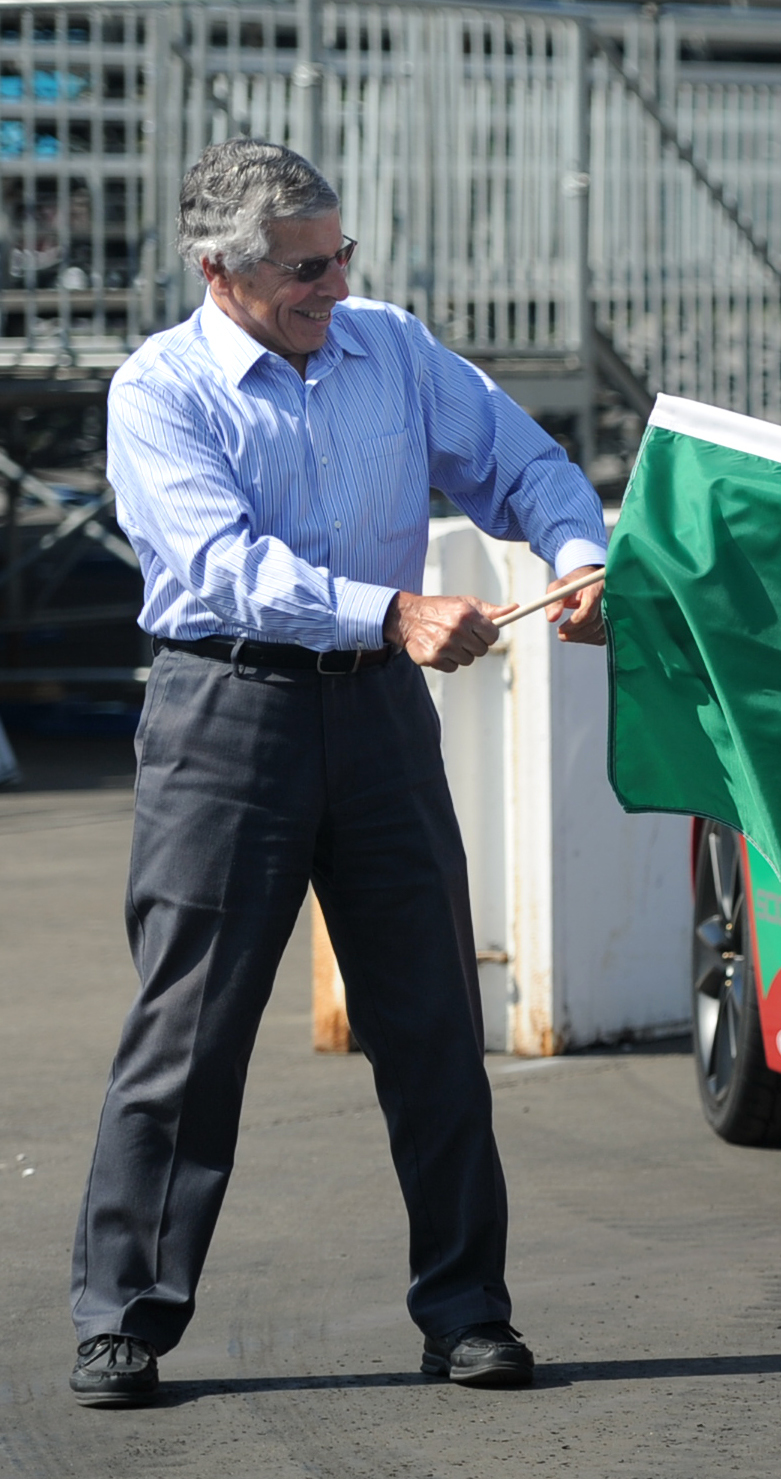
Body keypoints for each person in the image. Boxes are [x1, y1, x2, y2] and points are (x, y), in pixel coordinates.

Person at [67, 140, 610, 1408]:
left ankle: (469, 1312)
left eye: (340, 254)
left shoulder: (392, 345)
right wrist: (393, 613)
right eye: (302, 269)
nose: (330, 283)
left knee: (429, 1020)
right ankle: (126, 1317)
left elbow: (522, 464)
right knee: (188, 1033)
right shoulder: (161, 390)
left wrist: (577, 554)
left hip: (374, 719)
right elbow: (214, 567)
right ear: (221, 271)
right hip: (223, 715)